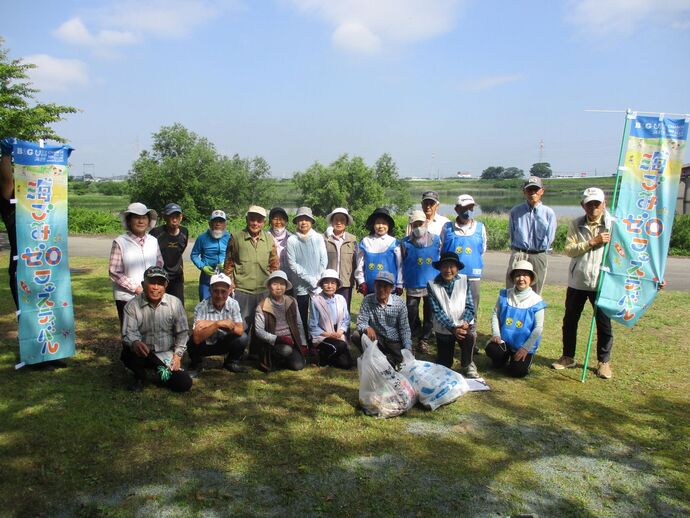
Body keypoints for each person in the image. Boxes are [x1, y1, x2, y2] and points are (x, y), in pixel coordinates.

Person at [553, 187, 614, 379]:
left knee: (604, 324)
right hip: (578, 281)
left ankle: (604, 362)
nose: (593, 207)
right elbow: (569, 250)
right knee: (570, 321)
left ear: (604, 204)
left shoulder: (613, 225)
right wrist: (592, 242)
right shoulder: (576, 224)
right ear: (583, 205)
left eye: (597, 203)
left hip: (602, 283)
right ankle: (568, 356)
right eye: (589, 204)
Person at [120, 266, 192, 392]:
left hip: (165, 354)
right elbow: (129, 333)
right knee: (128, 352)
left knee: (183, 383)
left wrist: (177, 356)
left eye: (160, 284)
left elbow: (182, 332)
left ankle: (158, 372)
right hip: (142, 353)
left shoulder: (175, 304)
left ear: (166, 286)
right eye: (152, 282)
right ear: (143, 284)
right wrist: (135, 343)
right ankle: (140, 376)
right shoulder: (132, 306)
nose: (155, 287)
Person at [223, 205, 279, 332]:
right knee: (240, 329)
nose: (255, 223)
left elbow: (274, 265)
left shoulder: (269, 239)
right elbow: (229, 263)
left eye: (259, 220)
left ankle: (256, 352)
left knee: (262, 327)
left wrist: (273, 286)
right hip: (242, 291)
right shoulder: (236, 238)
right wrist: (229, 282)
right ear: (247, 219)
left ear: (264, 222)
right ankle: (238, 351)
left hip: (263, 291)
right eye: (252, 219)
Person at [486, 260, 546, 378]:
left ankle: (517, 361)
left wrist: (525, 348)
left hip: (523, 346)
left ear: (531, 279)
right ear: (513, 278)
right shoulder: (505, 295)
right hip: (504, 342)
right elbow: (495, 314)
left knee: (517, 372)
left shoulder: (537, 301)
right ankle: (501, 360)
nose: (521, 278)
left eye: (525, 275)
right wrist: (496, 334)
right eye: (518, 275)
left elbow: (538, 328)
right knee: (492, 349)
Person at [109, 202, 163, 326]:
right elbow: (114, 271)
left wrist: (154, 286)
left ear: (149, 221)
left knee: (149, 330)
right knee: (129, 332)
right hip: (126, 297)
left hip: (151, 294)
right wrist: (137, 288)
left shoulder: (153, 241)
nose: (140, 221)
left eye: (144, 217)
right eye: (136, 217)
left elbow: (159, 265)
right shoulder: (120, 242)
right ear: (129, 221)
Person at [187, 273, 250, 377]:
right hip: (205, 345)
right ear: (210, 290)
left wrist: (210, 324)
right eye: (216, 291)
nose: (220, 295)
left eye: (223, 291)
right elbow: (197, 338)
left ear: (229, 291)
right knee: (191, 340)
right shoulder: (201, 307)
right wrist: (218, 324)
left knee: (242, 338)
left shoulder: (233, 304)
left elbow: (240, 330)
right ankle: (196, 364)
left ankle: (231, 362)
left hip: (223, 342)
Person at [427, 252, 478, 378]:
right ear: (439, 268)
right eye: (445, 266)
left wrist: (464, 322)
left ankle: (468, 363)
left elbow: (470, 306)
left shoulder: (465, 280)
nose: (448, 270)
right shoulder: (431, 284)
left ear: (457, 268)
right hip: (444, 328)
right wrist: (453, 328)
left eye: (452, 267)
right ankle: (444, 357)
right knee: (444, 365)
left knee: (470, 336)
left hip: (463, 327)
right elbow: (437, 311)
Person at [506, 176, 557, 295]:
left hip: (538, 254)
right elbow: (512, 233)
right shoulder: (515, 211)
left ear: (541, 191)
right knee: (512, 287)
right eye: (529, 190)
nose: (532, 193)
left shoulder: (548, 213)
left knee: (536, 290)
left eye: (535, 190)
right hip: (519, 252)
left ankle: (533, 312)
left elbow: (550, 236)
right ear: (524, 192)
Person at [352, 271, 412, 369]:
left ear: (392, 288)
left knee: (403, 362)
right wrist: (367, 328)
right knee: (356, 335)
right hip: (376, 339)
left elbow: (404, 328)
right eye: (378, 285)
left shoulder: (399, 303)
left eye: (385, 286)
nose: (381, 289)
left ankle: (385, 358)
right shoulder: (368, 300)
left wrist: (408, 346)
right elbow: (361, 322)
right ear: (374, 285)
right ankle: (373, 356)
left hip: (394, 341)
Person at [285, 206, 328, 346]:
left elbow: (324, 260)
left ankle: (318, 342)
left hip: (317, 284)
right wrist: (310, 279)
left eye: (306, 219)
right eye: (300, 219)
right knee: (302, 315)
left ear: (311, 221)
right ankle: (303, 343)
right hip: (301, 284)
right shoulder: (291, 240)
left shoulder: (318, 238)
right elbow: (292, 264)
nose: (303, 222)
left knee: (318, 314)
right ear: (296, 222)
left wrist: (318, 278)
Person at [401, 210, 440, 354]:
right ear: (411, 225)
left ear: (426, 223)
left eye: (421, 223)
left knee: (429, 314)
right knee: (411, 312)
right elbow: (402, 261)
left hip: (431, 284)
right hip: (412, 283)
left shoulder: (436, 240)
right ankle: (410, 337)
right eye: (415, 224)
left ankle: (424, 339)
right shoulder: (405, 242)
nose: (418, 227)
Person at [440, 194, 487, 312]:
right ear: (457, 209)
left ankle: (472, 329)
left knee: (472, 306)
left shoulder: (480, 228)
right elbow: (441, 249)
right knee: (453, 306)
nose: (468, 211)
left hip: (473, 275)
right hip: (452, 275)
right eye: (465, 208)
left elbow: (482, 250)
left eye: (471, 208)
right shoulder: (447, 228)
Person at [254, 271, 307, 372]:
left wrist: (303, 343)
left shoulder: (292, 301)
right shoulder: (262, 306)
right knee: (286, 350)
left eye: (282, 284)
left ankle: (283, 360)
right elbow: (259, 332)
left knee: (299, 366)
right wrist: (278, 338)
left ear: (286, 286)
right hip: (272, 344)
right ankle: (272, 360)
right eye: (275, 284)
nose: (279, 287)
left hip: (291, 342)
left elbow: (299, 324)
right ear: (269, 287)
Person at [309, 269, 353, 369]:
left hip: (338, 334)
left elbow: (346, 319)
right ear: (321, 285)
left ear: (337, 285)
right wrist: (330, 335)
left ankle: (331, 358)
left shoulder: (340, 299)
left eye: (333, 283)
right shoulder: (316, 300)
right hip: (323, 335)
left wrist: (341, 332)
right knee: (341, 346)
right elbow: (313, 326)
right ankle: (322, 358)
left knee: (347, 364)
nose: (329, 286)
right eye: (326, 283)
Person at [355, 207, 403, 296]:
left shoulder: (395, 243)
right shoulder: (365, 241)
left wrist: (400, 284)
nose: (381, 226)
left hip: (389, 288)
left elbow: (400, 265)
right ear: (373, 225)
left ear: (388, 225)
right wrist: (361, 281)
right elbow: (360, 264)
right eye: (378, 223)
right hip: (370, 288)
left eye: (384, 223)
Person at [149, 202, 188, 306]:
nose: (174, 220)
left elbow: (180, 250)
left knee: (178, 305)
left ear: (181, 217)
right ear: (165, 217)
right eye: (171, 216)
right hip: (159, 276)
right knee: (159, 305)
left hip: (177, 277)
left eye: (177, 216)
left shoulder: (184, 232)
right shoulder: (156, 233)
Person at [191, 209, 230, 302]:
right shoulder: (202, 238)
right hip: (207, 277)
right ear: (209, 223)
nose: (218, 224)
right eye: (215, 221)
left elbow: (235, 255)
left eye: (221, 221)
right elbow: (194, 255)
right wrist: (202, 266)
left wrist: (226, 264)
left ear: (225, 224)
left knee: (225, 304)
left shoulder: (229, 237)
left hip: (225, 275)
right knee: (205, 303)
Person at [323, 207, 357, 312]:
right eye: (336, 219)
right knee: (329, 310)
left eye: (342, 220)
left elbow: (356, 261)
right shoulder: (324, 239)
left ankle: (344, 329)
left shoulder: (352, 240)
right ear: (332, 222)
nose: (339, 222)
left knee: (344, 309)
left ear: (346, 223)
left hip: (346, 282)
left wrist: (357, 280)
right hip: (329, 281)